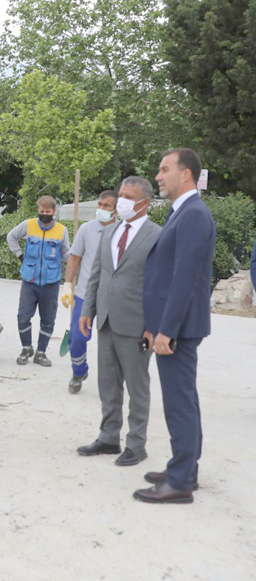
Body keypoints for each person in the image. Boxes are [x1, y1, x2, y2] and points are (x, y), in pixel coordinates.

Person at [134, 148, 216, 504]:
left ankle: (180, 481)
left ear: (186, 175)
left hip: (179, 329)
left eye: (164, 169)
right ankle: (184, 468)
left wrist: (167, 329)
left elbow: (185, 278)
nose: (158, 176)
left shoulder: (194, 214)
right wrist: (156, 324)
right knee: (185, 400)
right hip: (172, 326)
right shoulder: (183, 212)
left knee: (179, 403)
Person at [76, 177, 162, 467]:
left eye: (128, 197)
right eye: (121, 195)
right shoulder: (110, 230)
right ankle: (109, 437)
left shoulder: (157, 235)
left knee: (138, 387)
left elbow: (160, 286)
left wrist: (154, 325)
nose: (121, 201)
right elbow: (97, 274)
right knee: (108, 384)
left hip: (137, 324)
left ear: (144, 202)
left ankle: (136, 444)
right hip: (106, 320)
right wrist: (86, 310)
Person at [61, 190, 118, 393]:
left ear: (116, 209)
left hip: (111, 298)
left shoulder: (123, 232)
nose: (101, 209)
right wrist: (68, 285)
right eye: (100, 205)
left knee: (111, 342)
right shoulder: (86, 229)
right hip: (84, 294)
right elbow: (75, 257)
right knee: (76, 337)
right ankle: (78, 371)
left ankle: (111, 380)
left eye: (107, 206)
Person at [6, 195, 71, 366]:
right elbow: (11, 236)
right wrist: (19, 255)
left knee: (48, 320)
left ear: (54, 211)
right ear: (38, 210)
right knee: (23, 316)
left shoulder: (61, 230)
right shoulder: (29, 225)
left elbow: (65, 254)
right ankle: (26, 348)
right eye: (41, 212)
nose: (44, 215)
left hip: (51, 283)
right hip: (30, 281)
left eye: (47, 212)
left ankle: (41, 352)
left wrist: (74, 257)